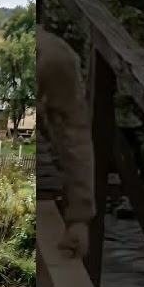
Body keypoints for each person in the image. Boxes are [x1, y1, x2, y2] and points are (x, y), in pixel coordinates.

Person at [38, 25, 95, 260]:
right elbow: (74, 137)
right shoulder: (55, 53)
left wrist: (79, 218)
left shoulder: (51, 56)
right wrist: (80, 218)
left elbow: (73, 135)